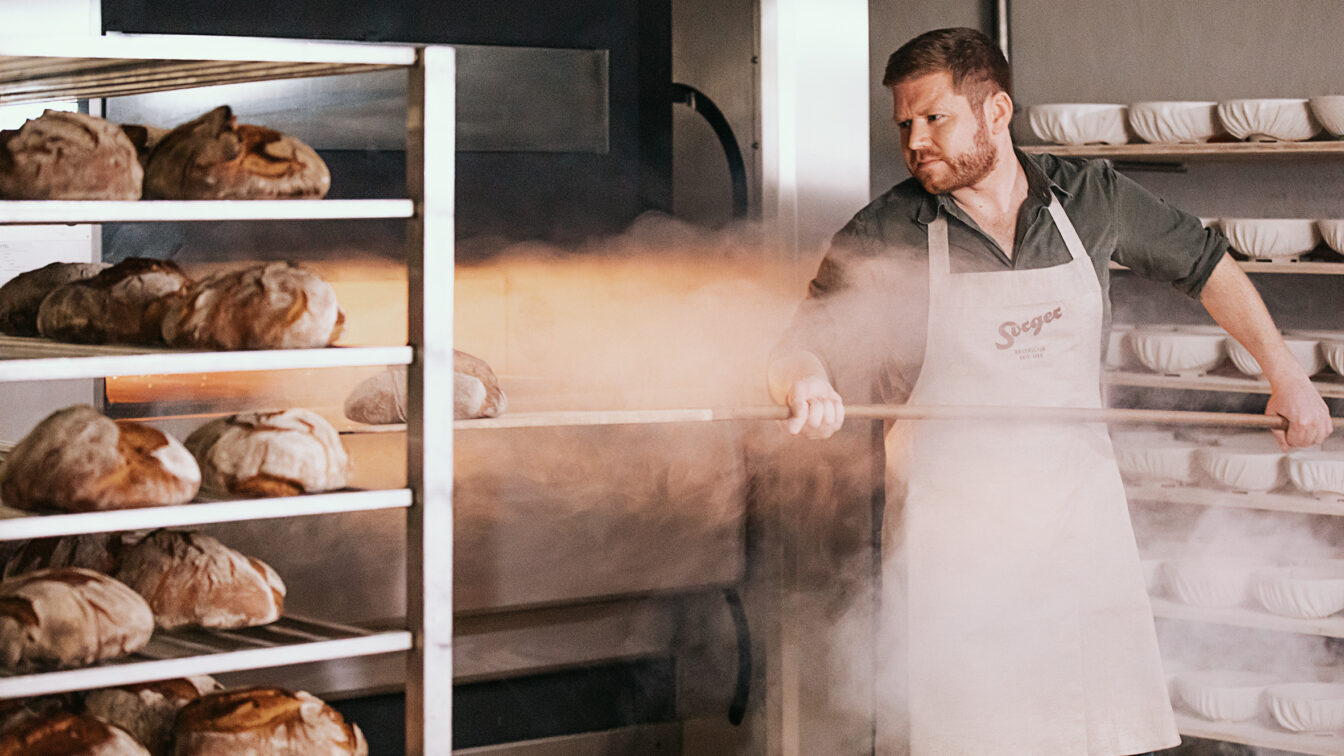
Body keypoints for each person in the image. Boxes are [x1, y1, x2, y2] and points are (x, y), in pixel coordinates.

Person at [767, 26, 1334, 756]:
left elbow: (1207, 265)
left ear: (995, 112)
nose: (916, 142)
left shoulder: (1087, 198)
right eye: (904, 124)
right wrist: (808, 381)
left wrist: (1286, 374)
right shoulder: (891, 231)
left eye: (935, 118)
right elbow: (798, 343)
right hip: (956, 554)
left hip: (1078, 535)